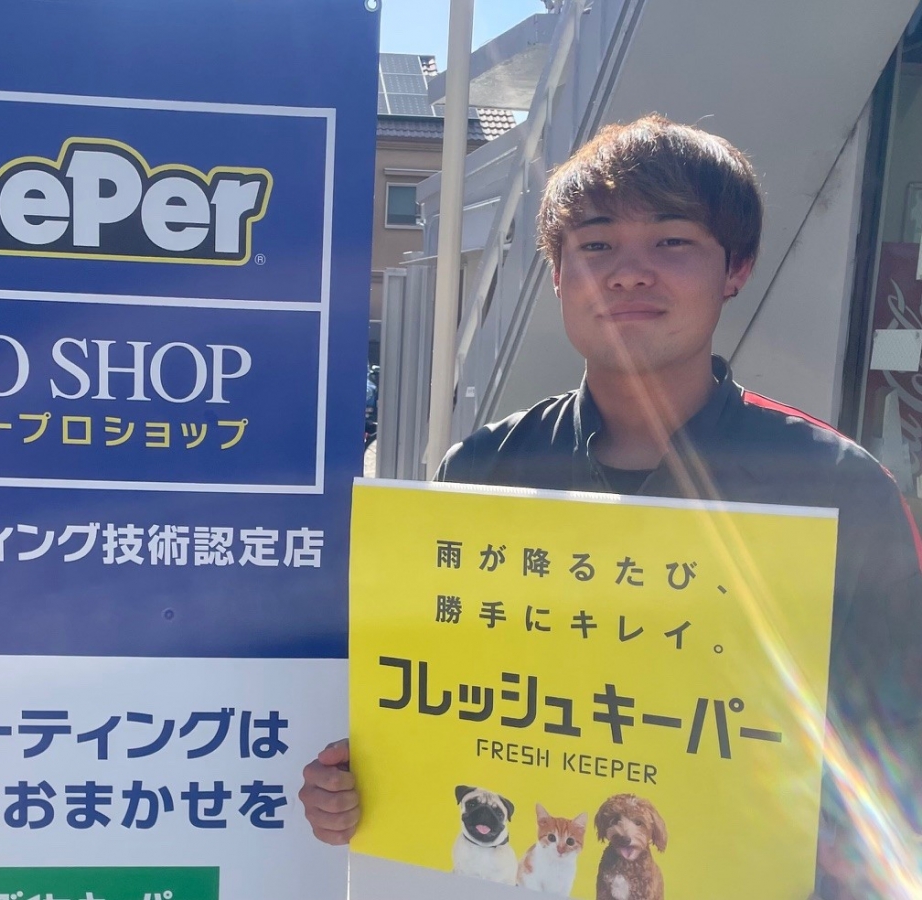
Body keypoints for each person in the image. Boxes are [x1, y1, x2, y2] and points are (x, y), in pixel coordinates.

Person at [299, 115, 922, 898]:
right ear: (558, 275)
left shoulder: (838, 487)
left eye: (672, 241)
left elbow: (898, 751)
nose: (628, 274)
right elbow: (446, 705)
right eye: (595, 245)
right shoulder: (485, 469)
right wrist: (365, 786)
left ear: (736, 268)